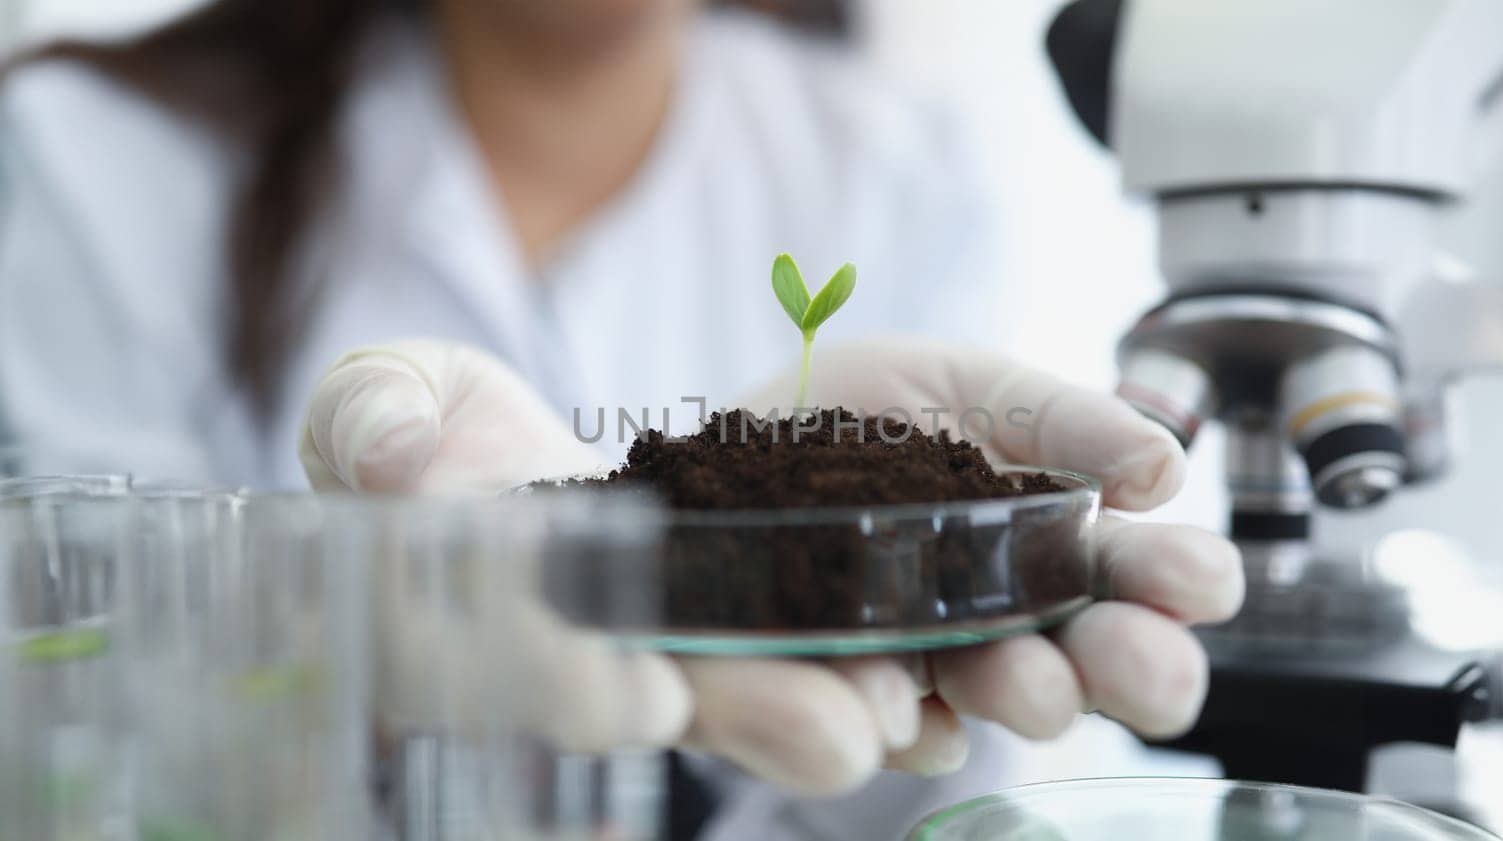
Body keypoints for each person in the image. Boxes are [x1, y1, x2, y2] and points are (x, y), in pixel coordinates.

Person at [0, 1, 1243, 838]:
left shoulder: (894, 161)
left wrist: (935, 589)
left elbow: (904, 782)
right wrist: (345, 658)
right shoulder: (112, 151)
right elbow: (68, 700)